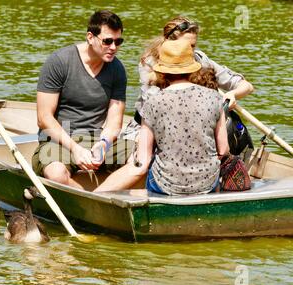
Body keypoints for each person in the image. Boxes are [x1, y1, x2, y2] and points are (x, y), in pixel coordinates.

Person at [95, 39, 229, 194]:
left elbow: (142, 162)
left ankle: (95, 196)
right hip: (208, 183)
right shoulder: (214, 97)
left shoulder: (153, 102)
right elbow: (224, 149)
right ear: (193, 69)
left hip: (166, 185)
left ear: (162, 71)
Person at [32, 10, 133, 188]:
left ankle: (101, 195)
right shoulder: (59, 62)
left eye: (118, 41)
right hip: (59, 141)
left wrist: (103, 144)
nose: (113, 47)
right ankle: (93, 202)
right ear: (90, 37)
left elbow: (114, 122)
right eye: (107, 41)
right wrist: (76, 149)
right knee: (55, 174)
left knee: (143, 158)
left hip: (97, 140)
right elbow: (44, 119)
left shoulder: (117, 69)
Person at [121, 16, 254, 142]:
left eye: (193, 46)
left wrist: (232, 94)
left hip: (194, 132)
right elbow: (155, 107)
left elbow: (246, 86)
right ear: (169, 43)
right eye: (185, 46)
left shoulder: (200, 59)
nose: (190, 52)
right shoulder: (149, 63)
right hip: (151, 130)